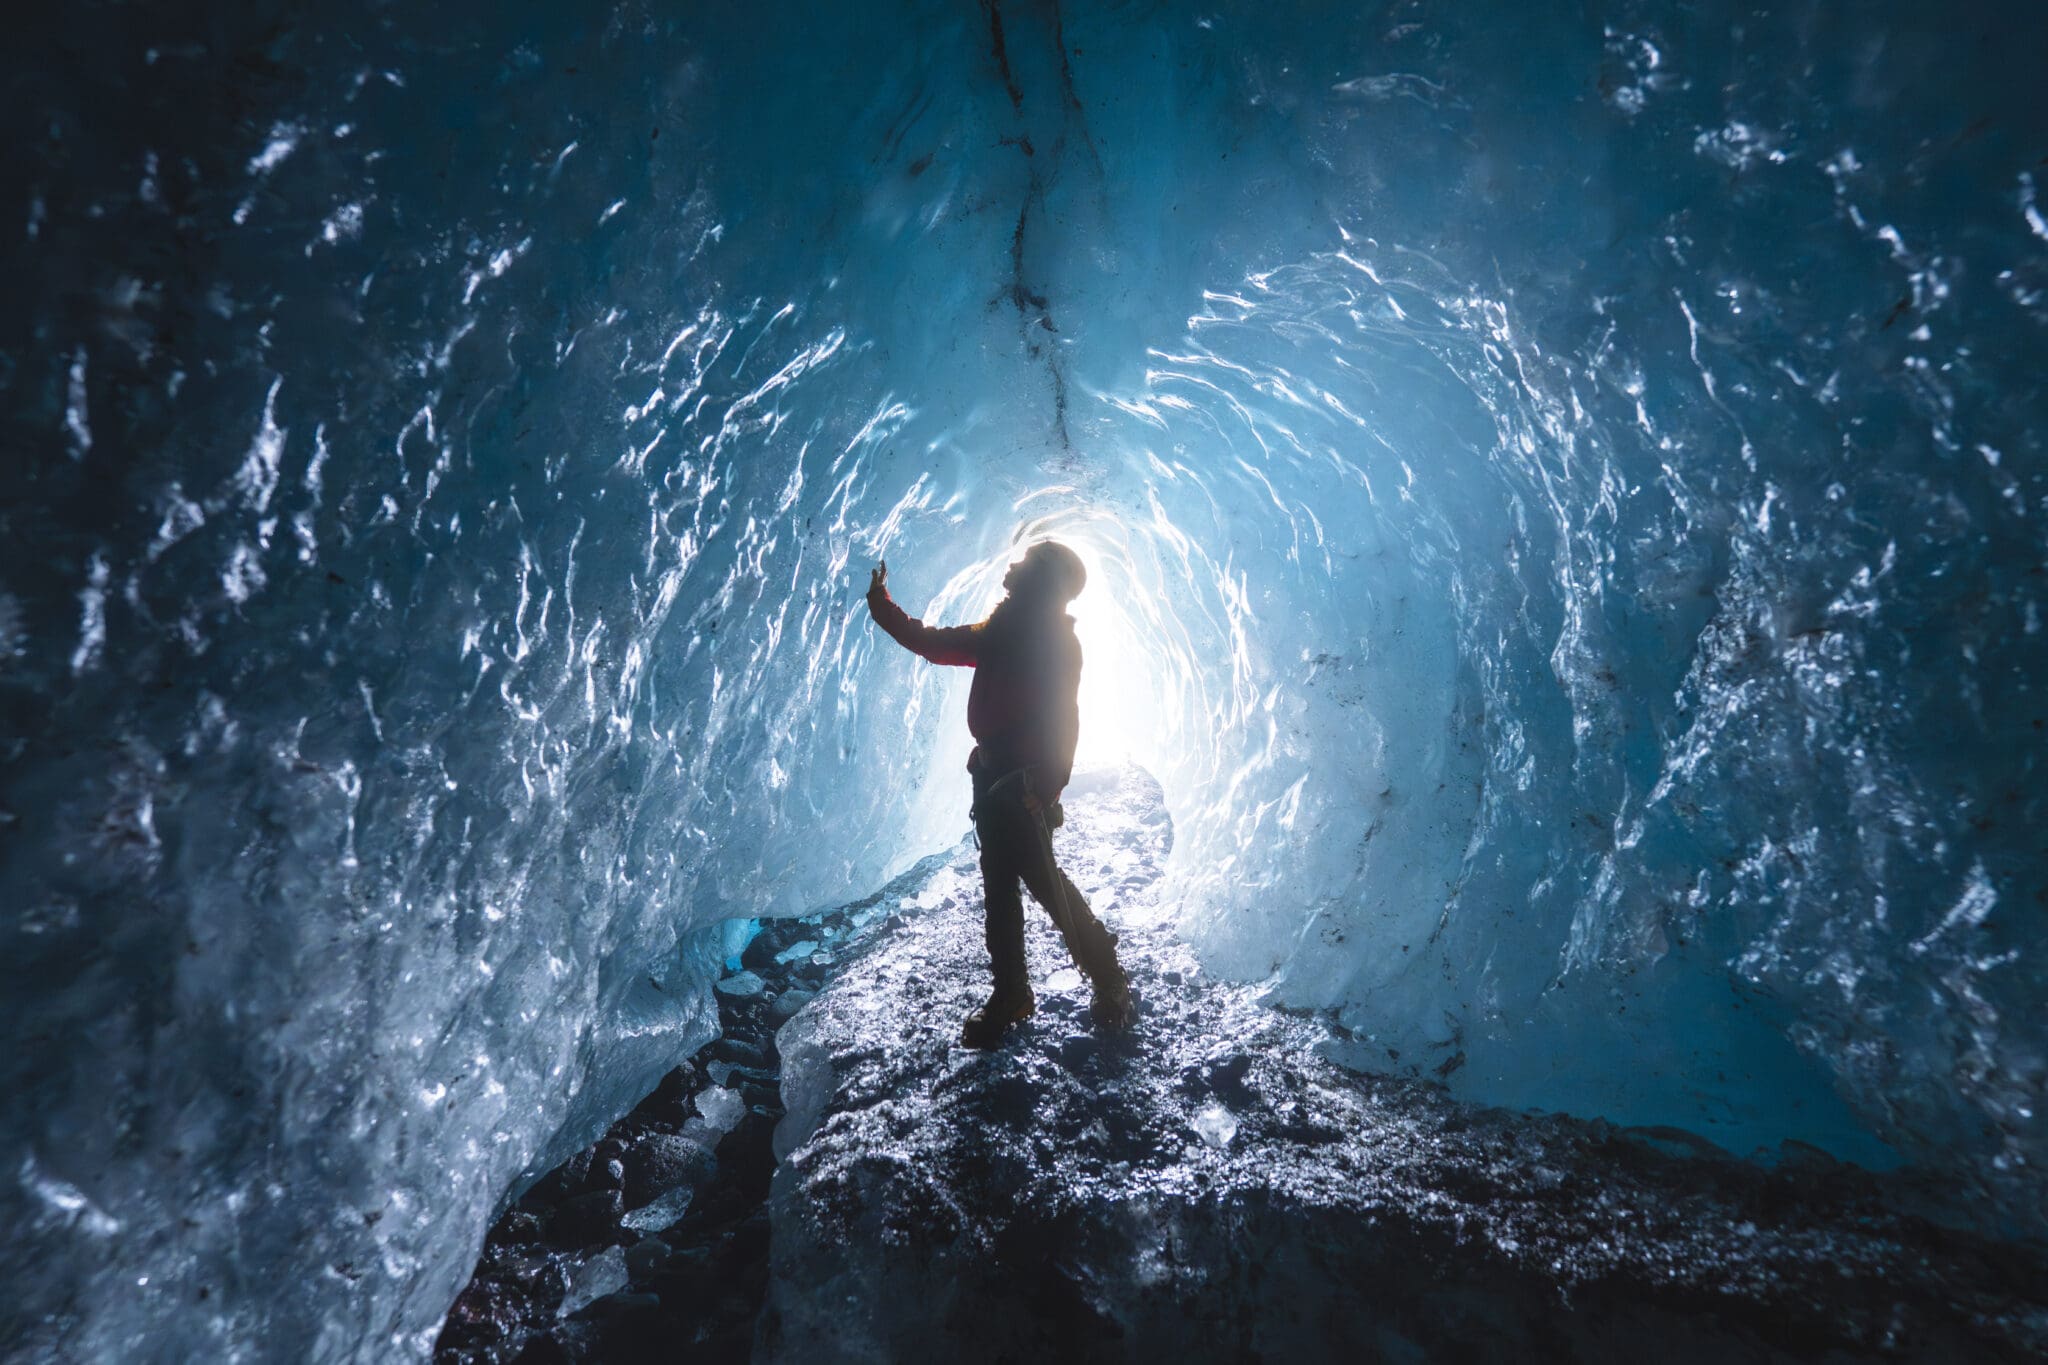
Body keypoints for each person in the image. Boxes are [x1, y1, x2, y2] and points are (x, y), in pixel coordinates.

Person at [865, 540, 1134, 1047]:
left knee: (1047, 888)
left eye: (1025, 562)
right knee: (1002, 891)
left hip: (1021, 786)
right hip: (991, 781)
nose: (1012, 565)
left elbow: (1066, 718)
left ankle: (1108, 980)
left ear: (1043, 579)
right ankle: (1013, 992)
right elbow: (933, 642)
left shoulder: (1055, 641)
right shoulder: (1000, 631)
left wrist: (1051, 785)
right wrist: (881, 604)